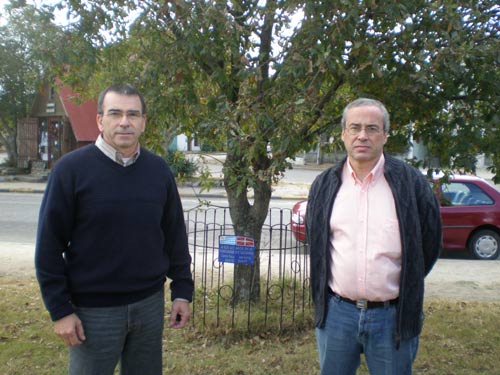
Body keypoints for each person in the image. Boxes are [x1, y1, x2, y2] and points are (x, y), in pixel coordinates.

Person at [35, 83, 194, 375]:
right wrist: (60, 311)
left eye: (133, 114)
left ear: (143, 122)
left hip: (149, 307)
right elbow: (48, 248)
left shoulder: (158, 171)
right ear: (100, 120)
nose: (124, 121)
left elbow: (174, 235)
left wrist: (182, 291)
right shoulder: (70, 171)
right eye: (115, 113)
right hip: (94, 314)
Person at [306, 98, 442, 375]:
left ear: (385, 135)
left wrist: (407, 282)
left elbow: (429, 242)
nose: (362, 135)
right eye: (354, 127)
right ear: (343, 134)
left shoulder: (410, 182)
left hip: (392, 316)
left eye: (372, 128)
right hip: (337, 315)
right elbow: (317, 243)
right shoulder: (324, 184)